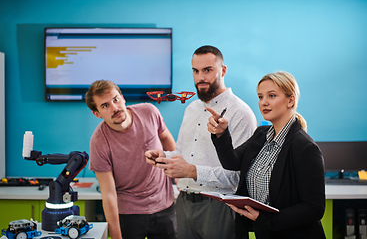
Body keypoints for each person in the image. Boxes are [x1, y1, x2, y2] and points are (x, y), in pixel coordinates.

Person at [145, 45, 257, 239]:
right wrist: (164, 156)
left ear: (223, 70)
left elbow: (237, 177)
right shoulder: (191, 108)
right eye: (196, 71)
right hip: (184, 204)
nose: (200, 78)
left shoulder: (241, 113)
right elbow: (181, 151)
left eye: (207, 70)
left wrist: (191, 171)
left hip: (220, 209)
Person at [207, 71, 326, 239]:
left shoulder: (305, 147)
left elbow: (314, 209)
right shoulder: (260, 135)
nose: (264, 102)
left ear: (290, 100)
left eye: (271, 95)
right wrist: (221, 134)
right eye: (260, 97)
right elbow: (231, 162)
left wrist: (264, 219)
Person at [85, 80, 177, 239]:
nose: (115, 108)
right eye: (105, 106)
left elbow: (168, 141)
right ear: (97, 113)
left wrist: (178, 178)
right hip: (129, 213)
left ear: (122, 97)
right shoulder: (99, 141)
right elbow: (108, 194)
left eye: (116, 99)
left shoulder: (149, 111)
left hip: (164, 205)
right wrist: (116, 236)